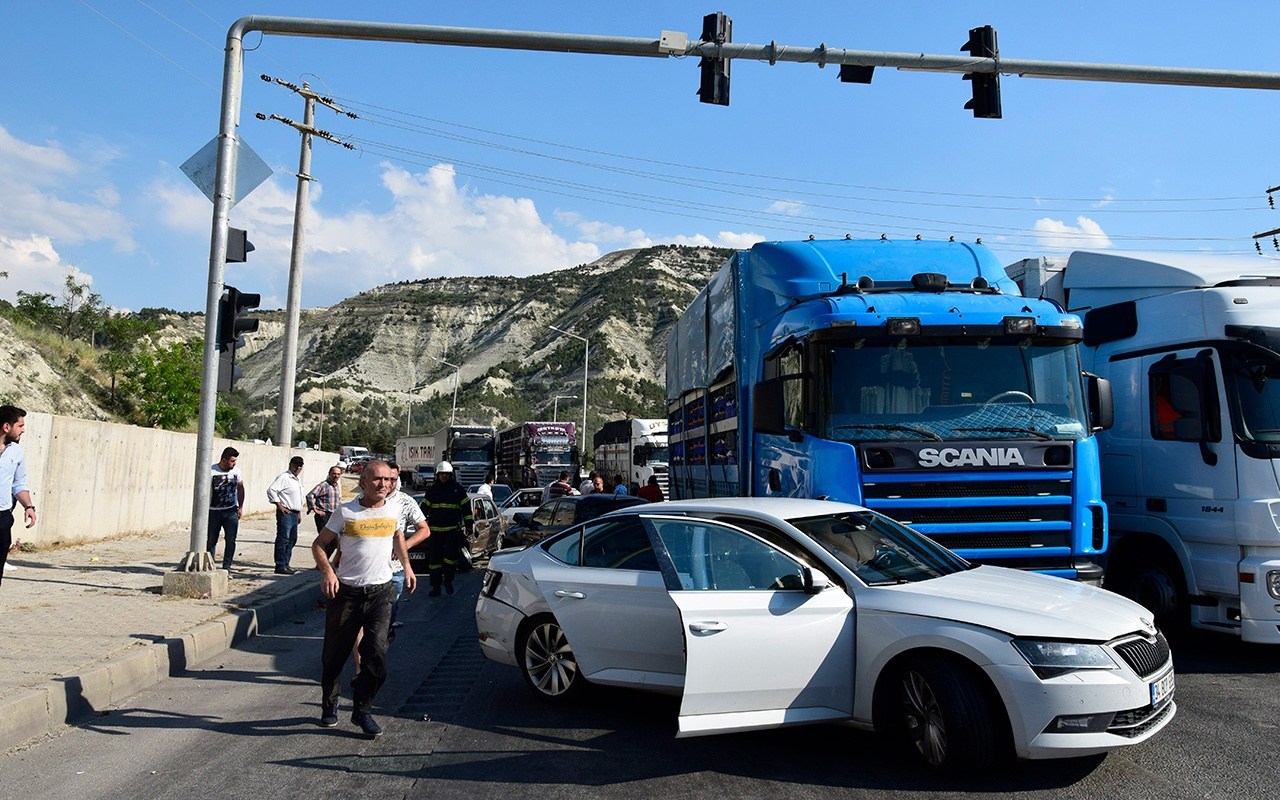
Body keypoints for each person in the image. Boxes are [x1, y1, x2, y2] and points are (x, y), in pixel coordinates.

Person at [312, 460, 415, 737]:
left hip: (380, 593)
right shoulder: (346, 512)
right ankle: (330, 704)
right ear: (363, 482)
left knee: (377, 657)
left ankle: (362, 710)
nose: (384, 484)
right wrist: (327, 573)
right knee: (334, 657)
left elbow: (397, 538)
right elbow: (319, 544)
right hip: (346, 593)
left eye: (388, 480)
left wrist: (406, 566)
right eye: (377, 479)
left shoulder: (393, 510)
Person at [418, 461, 473, 597]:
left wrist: (469, 524)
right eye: (441, 474)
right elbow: (423, 510)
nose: (443, 476)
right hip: (435, 532)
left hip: (451, 532)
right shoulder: (432, 491)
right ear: (437, 475)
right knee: (434, 562)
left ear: (451, 475)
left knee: (450, 559)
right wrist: (418, 524)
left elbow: (466, 509)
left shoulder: (458, 489)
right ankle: (435, 587)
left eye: (446, 474)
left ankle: (448, 581)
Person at [0, 406, 37, 587]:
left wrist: (29, 506)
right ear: (6, 427)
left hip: (3, 519)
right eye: (20, 426)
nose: (23, 430)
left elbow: (19, 484)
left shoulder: (16, 452)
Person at [207, 446, 244, 573]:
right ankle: (210, 565)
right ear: (223, 460)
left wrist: (240, 507)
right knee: (212, 540)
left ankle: (227, 566)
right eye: (232, 461)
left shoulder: (236, 472)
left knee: (231, 539)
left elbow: (240, 488)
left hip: (231, 511)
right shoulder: (211, 471)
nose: (234, 464)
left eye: (235, 461)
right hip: (214, 511)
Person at [267, 455, 305, 575]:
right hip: (286, 513)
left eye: (300, 466)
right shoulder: (284, 477)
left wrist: (299, 513)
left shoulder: (297, 479)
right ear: (290, 465)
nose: (298, 468)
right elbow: (271, 490)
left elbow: (297, 498)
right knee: (283, 539)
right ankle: (280, 564)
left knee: (292, 539)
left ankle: (286, 563)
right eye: (296, 465)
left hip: (294, 513)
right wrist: (279, 506)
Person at [306, 465, 344, 534]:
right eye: (334, 474)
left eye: (338, 474)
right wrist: (315, 509)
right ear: (329, 474)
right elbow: (310, 495)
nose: (336, 476)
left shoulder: (336, 486)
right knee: (325, 540)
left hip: (333, 516)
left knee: (334, 541)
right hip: (324, 516)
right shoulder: (324, 485)